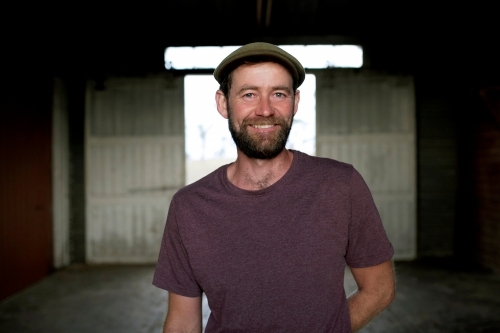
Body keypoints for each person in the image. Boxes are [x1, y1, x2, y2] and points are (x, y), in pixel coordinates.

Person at [153, 42, 395, 333]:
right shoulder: (189, 207)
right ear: (222, 103)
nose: (265, 110)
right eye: (249, 94)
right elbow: (182, 322)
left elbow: (379, 288)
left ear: (295, 102)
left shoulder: (340, 185)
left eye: (278, 94)